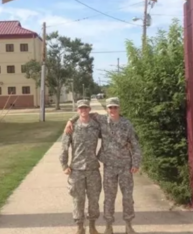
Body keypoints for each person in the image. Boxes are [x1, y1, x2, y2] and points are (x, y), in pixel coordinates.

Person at [65, 97, 142, 234]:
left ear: (119, 108)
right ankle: (108, 225)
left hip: (125, 166)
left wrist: (135, 163)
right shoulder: (101, 121)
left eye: (115, 107)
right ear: (106, 109)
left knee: (128, 197)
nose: (112, 110)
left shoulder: (127, 124)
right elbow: (83, 113)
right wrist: (70, 120)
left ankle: (128, 224)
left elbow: (135, 145)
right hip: (109, 167)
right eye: (110, 107)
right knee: (109, 197)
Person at [59, 99, 102, 234]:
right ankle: (79, 226)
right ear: (77, 110)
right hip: (76, 170)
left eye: (85, 108)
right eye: (80, 109)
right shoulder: (71, 127)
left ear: (89, 109)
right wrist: (64, 165)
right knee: (78, 200)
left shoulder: (96, 125)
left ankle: (92, 226)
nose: (83, 111)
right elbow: (64, 147)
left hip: (93, 169)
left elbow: (109, 134)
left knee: (94, 199)